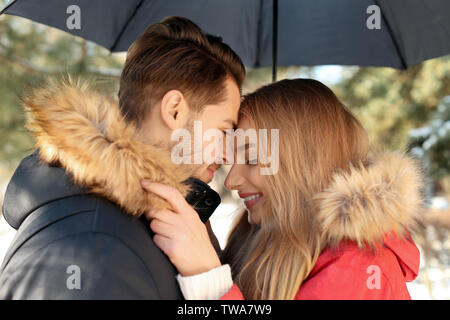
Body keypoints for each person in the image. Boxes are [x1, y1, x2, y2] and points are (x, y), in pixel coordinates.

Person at [0, 16, 244, 299]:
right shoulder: (94, 249)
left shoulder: (156, 227)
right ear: (175, 110)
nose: (227, 153)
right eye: (224, 130)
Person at [142, 78, 424, 300]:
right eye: (233, 160)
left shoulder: (361, 268)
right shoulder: (261, 237)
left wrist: (209, 278)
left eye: (251, 158)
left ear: (304, 162)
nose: (231, 181)